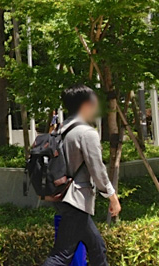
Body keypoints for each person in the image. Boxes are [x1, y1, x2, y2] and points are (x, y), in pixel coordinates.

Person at [43, 84, 121, 266]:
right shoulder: (86, 133)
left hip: (62, 195)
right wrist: (112, 197)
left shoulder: (59, 130)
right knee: (61, 256)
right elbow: (97, 169)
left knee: (97, 247)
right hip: (76, 199)